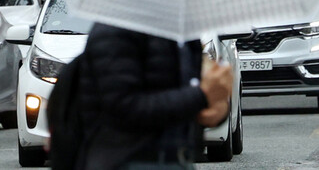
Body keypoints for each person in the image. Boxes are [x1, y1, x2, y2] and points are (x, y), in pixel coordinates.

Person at [74, 23, 234, 169]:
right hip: (127, 160)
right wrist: (200, 96)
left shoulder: (184, 34)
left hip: (178, 160)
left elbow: (188, 95)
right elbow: (123, 106)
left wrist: (216, 108)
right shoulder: (114, 30)